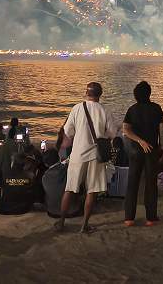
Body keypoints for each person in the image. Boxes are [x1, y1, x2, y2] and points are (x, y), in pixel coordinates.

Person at [56, 82, 114, 233]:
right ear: (100, 94)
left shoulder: (77, 108)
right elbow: (112, 133)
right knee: (92, 191)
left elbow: (68, 131)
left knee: (70, 189)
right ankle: (84, 225)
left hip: (78, 154)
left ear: (86, 93)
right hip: (96, 156)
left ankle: (61, 222)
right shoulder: (105, 110)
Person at [121, 80, 163, 226]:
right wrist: (161, 145)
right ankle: (151, 218)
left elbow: (126, 130)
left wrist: (140, 141)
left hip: (135, 151)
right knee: (151, 183)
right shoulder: (156, 108)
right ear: (149, 94)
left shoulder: (132, 109)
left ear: (136, 95)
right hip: (152, 150)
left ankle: (129, 218)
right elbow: (162, 129)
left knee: (132, 182)